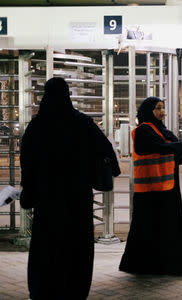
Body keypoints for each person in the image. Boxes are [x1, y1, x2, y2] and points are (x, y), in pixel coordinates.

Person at [19, 77, 120, 300]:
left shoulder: (38, 125)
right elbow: (106, 151)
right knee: (78, 246)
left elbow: (27, 160)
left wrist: (28, 190)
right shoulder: (82, 122)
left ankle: (44, 289)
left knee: (47, 246)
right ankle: (75, 288)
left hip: (47, 199)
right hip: (77, 198)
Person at [119, 96, 182, 275]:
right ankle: (150, 263)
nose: (162, 112)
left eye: (163, 108)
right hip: (149, 192)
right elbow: (163, 148)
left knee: (172, 225)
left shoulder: (161, 130)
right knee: (148, 229)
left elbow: (174, 153)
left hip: (166, 187)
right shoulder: (143, 131)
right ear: (148, 111)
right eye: (157, 108)